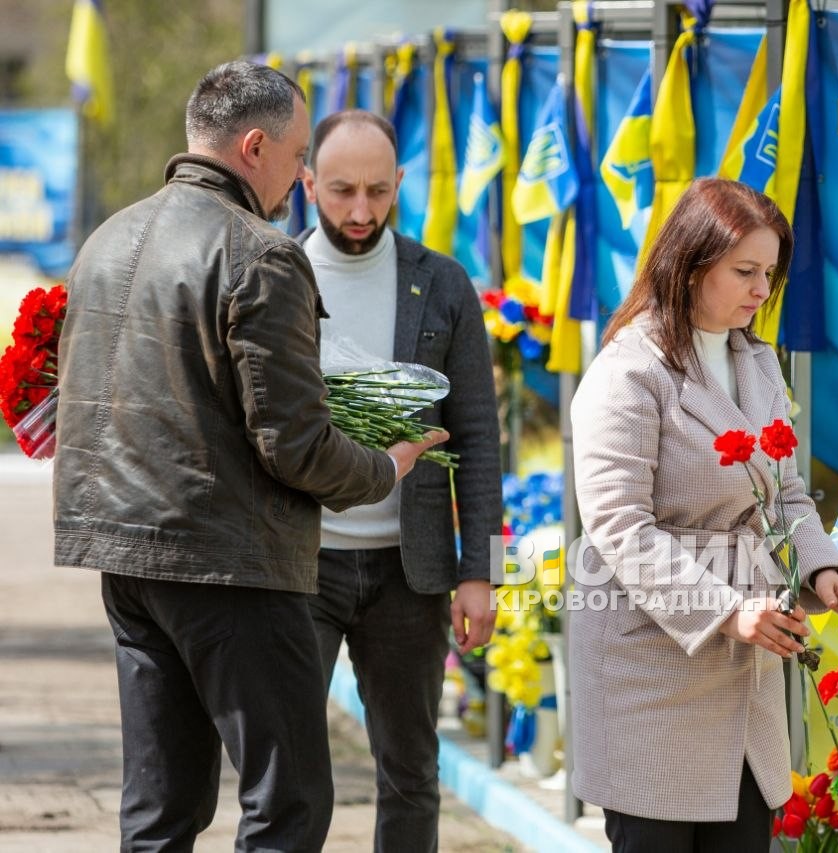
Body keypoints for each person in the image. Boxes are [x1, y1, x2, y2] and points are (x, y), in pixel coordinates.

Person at [53, 61, 444, 852]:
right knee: (289, 798)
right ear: (255, 145)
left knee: (159, 803)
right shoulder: (260, 253)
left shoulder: (107, 237)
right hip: (228, 562)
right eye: (299, 158)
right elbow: (292, 443)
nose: (300, 181)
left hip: (124, 557)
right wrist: (384, 467)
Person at [569, 178, 838, 852]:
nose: (761, 290)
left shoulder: (757, 362)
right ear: (692, 262)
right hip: (650, 665)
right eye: (745, 271)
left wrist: (823, 568)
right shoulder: (627, 371)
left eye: (769, 273)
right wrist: (729, 610)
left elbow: (787, 492)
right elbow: (618, 526)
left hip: (745, 670)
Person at [298, 109, 502, 852]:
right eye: (342, 190)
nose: (360, 211)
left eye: (378, 192)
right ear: (307, 180)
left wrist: (486, 574)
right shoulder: (272, 273)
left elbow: (481, 437)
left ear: (401, 183)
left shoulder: (441, 283)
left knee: (412, 769)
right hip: (299, 562)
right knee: (288, 770)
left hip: (410, 573)